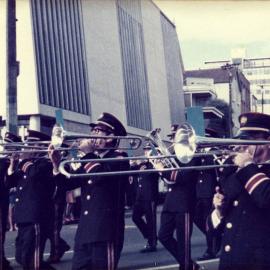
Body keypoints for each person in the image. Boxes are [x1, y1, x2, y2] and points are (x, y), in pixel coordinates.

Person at [49, 112, 130, 270]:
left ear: (110, 137)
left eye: (97, 132)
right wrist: (56, 165)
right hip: (85, 232)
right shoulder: (92, 159)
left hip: (106, 232)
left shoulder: (119, 158)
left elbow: (100, 177)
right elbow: (68, 183)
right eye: (93, 131)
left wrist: (88, 154)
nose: (92, 135)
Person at [208, 112, 270, 270]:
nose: (242, 145)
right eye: (242, 138)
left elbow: (266, 198)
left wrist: (249, 166)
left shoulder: (246, 170)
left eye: (249, 139)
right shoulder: (235, 173)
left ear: (267, 140)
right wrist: (219, 212)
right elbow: (215, 231)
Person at [6, 130, 57, 270]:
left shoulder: (45, 164)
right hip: (23, 218)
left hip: (36, 218)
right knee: (21, 257)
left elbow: (34, 174)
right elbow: (9, 183)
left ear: (39, 148)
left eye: (30, 144)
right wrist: (12, 165)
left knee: (32, 261)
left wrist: (24, 161)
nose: (25, 148)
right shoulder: (26, 166)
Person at [157, 124, 200, 270]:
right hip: (170, 202)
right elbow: (169, 179)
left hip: (184, 202)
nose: (173, 141)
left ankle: (187, 267)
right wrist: (161, 168)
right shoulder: (173, 155)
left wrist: (164, 171)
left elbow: (184, 176)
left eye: (175, 137)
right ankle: (190, 265)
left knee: (184, 243)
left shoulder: (193, 155)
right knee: (163, 236)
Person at [195, 128, 221, 260]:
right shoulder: (200, 154)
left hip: (210, 193)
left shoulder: (214, 154)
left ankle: (212, 249)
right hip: (200, 193)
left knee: (209, 222)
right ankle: (216, 237)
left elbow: (217, 174)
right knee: (198, 218)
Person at [131, 142, 159, 253]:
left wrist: (150, 160)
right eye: (145, 150)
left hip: (150, 196)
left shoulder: (155, 163)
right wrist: (134, 163)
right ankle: (150, 236)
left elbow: (153, 174)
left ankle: (152, 243)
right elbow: (131, 170)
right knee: (135, 217)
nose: (146, 152)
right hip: (140, 196)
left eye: (148, 149)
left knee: (151, 220)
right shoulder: (142, 164)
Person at [0, 132, 21, 270]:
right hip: (2, 199)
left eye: (9, 146)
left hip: (4, 199)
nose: (6, 149)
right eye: (5, 146)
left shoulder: (9, 162)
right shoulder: (3, 161)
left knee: (2, 232)